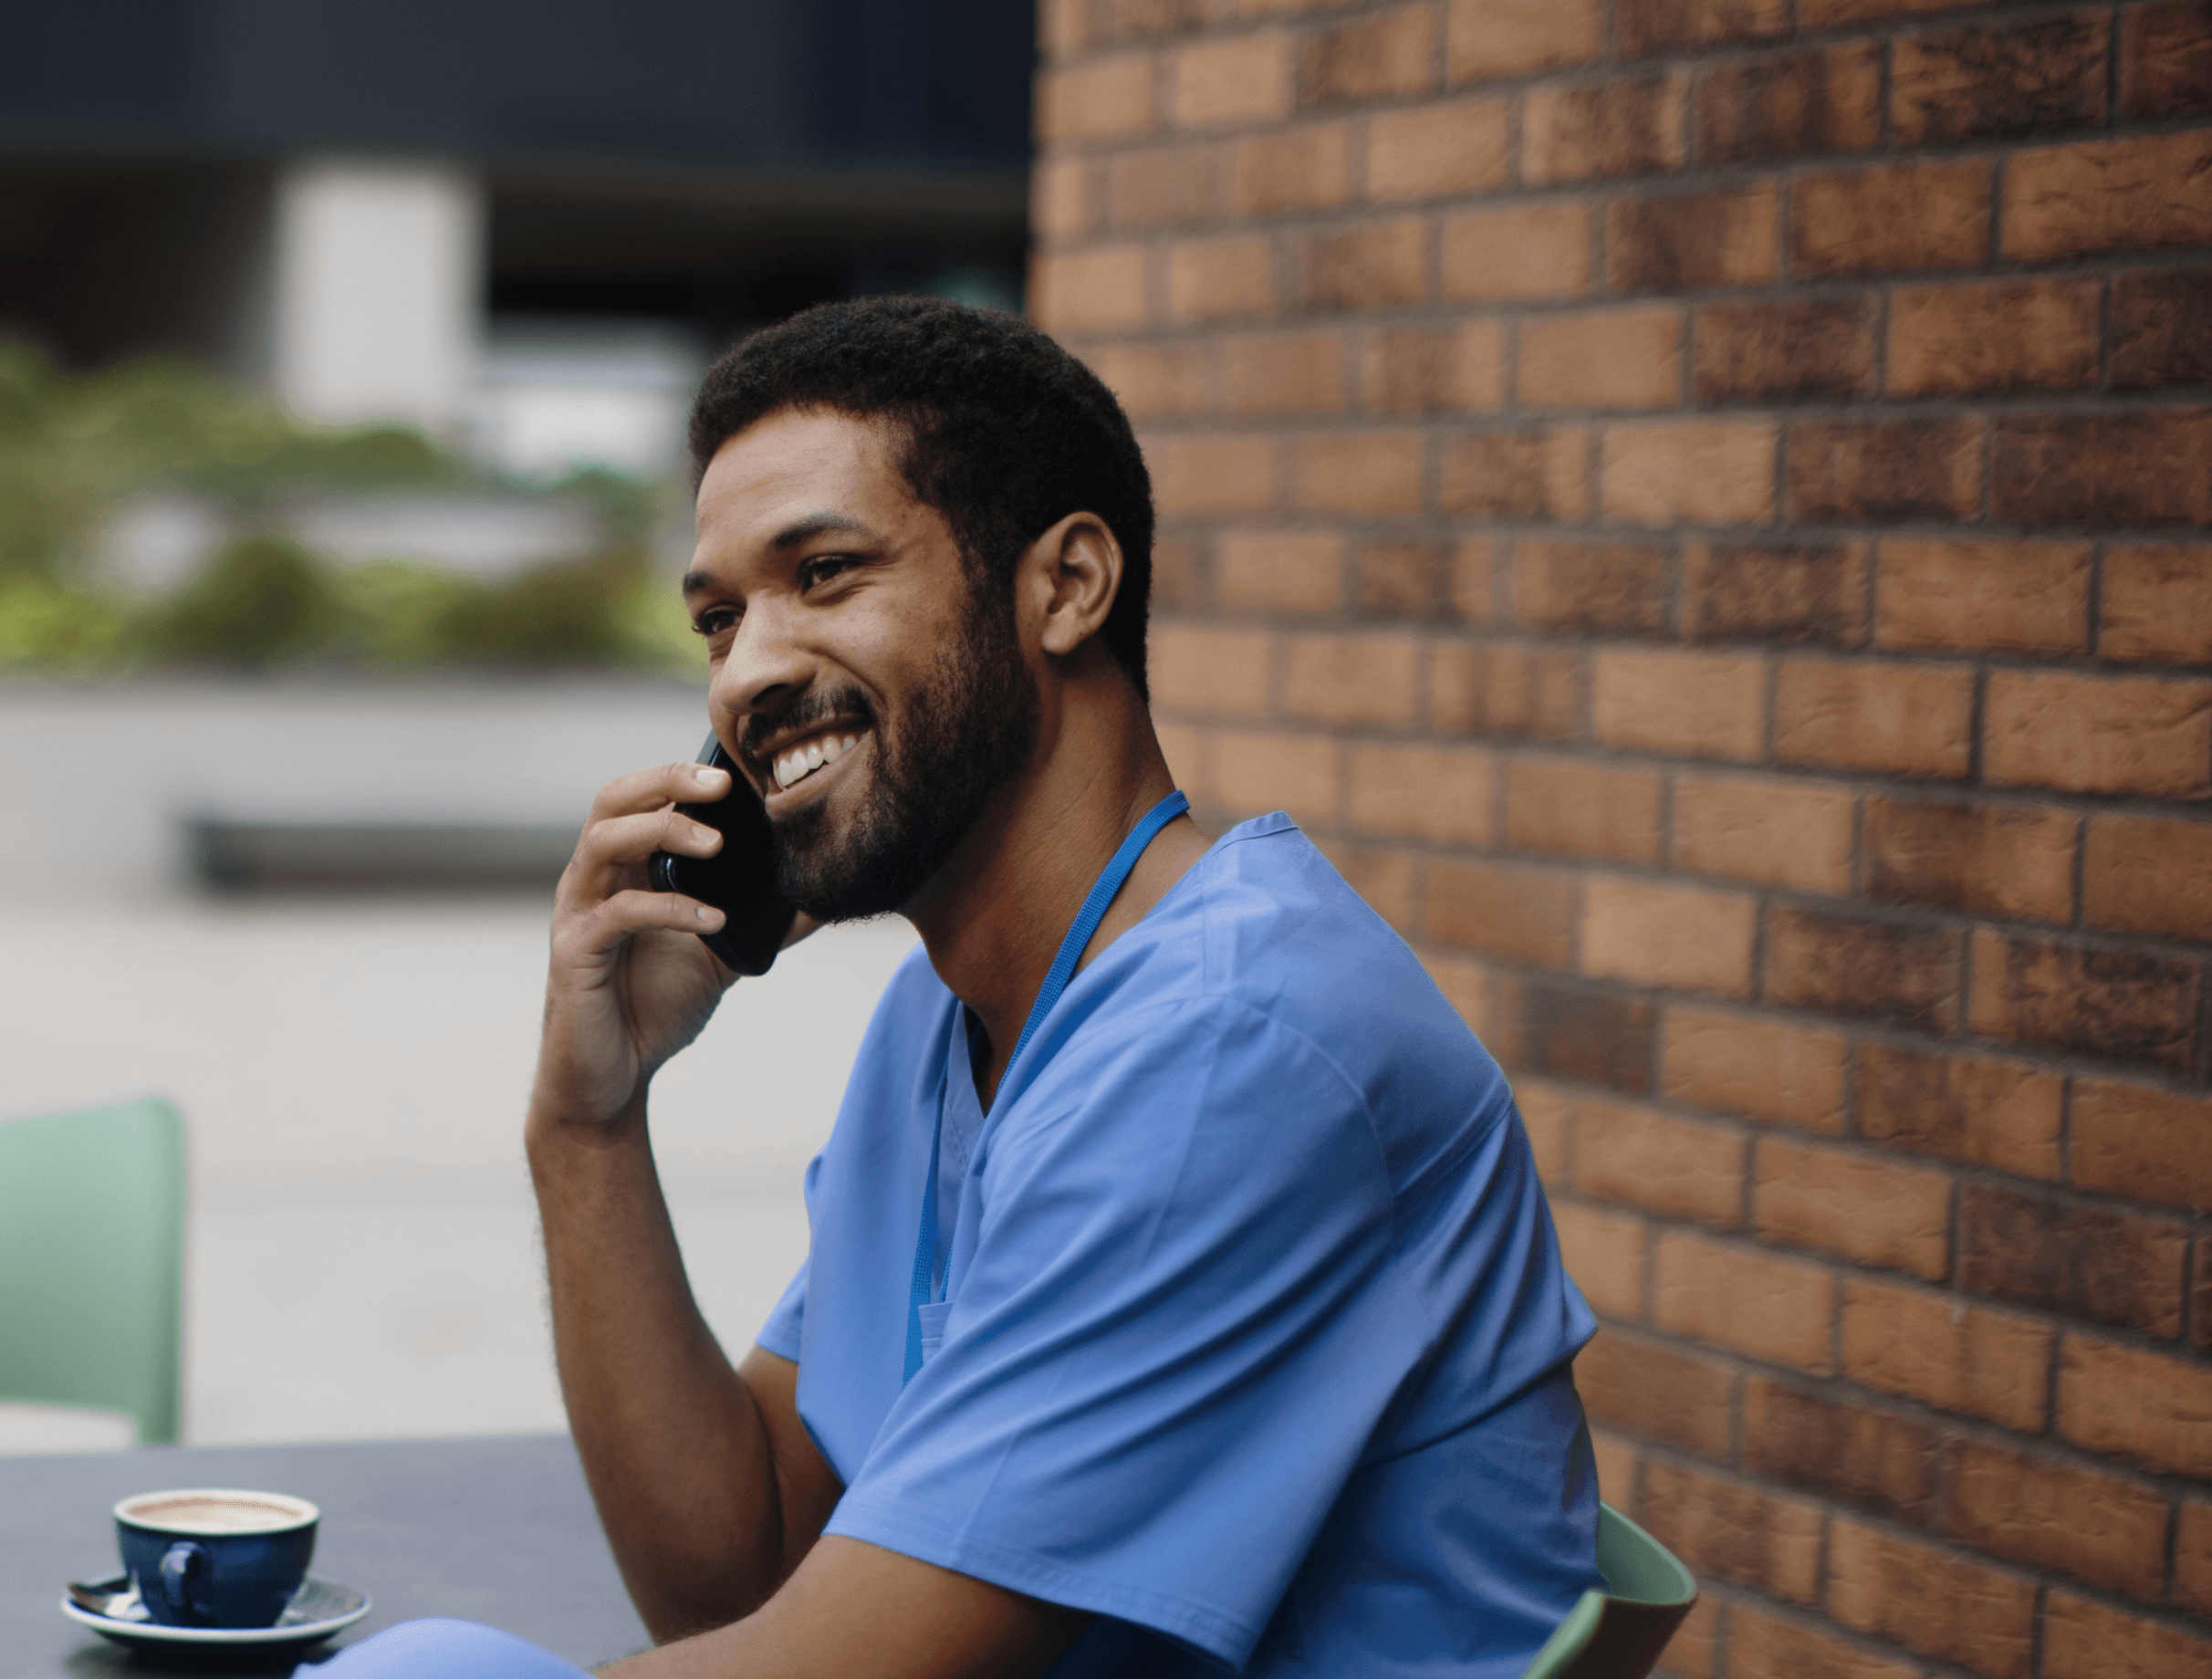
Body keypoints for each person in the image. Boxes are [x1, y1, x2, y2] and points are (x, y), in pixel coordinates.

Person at [325, 299, 1599, 1678]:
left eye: (823, 573)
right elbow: (738, 1568)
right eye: (717, 617)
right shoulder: (947, 1024)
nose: (748, 668)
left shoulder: (1235, 1042)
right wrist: (585, 1123)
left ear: (1065, 587)